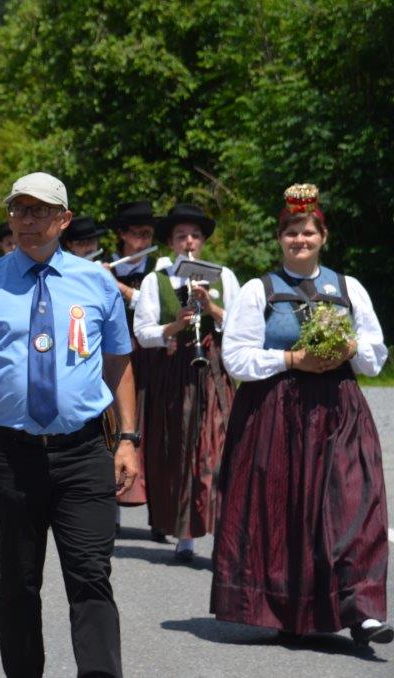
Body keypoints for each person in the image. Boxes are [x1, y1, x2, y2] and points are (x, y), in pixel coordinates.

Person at [0, 172, 139, 678]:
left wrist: (128, 438)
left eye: (39, 210)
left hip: (84, 452)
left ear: (63, 219)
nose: (26, 220)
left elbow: (119, 360)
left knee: (91, 574)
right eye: (19, 210)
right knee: (19, 580)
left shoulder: (95, 283)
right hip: (13, 455)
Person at [212, 184, 393, 645]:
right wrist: (292, 359)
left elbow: (375, 354)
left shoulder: (348, 288)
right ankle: (288, 609)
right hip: (276, 413)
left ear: (323, 237)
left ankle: (362, 610)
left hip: (340, 410)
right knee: (284, 511)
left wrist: (349, 348)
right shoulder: (259, 290)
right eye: (291, 233)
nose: (300, 240)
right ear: (280, 239)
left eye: (309, 232)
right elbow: (236, 358)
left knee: (355, 504)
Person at [132, 203, 239, 559]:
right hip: (174, 372)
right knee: (179, 449)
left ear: (203, 241)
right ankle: (185, 535)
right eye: (181, 237)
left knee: (218, 451)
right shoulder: (157, 280)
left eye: (194, 236)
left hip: (213, 371)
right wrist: (176, 325)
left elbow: (243, 326)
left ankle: (223, 534)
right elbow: (143, 332)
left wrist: (213, 310)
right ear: (171, 242)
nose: (189, 242)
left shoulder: (223, 276)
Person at [103, 202, 161, 517]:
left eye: (147, 234)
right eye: (137, 234)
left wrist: (118, 288)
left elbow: (155, 306)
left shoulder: (160, 270)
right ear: (123, 235)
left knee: (151, 427)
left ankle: (158, 510)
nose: (142, 241)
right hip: (112, 357)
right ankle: (110, 506)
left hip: (150, 356)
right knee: (112, 423)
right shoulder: (106, 266)